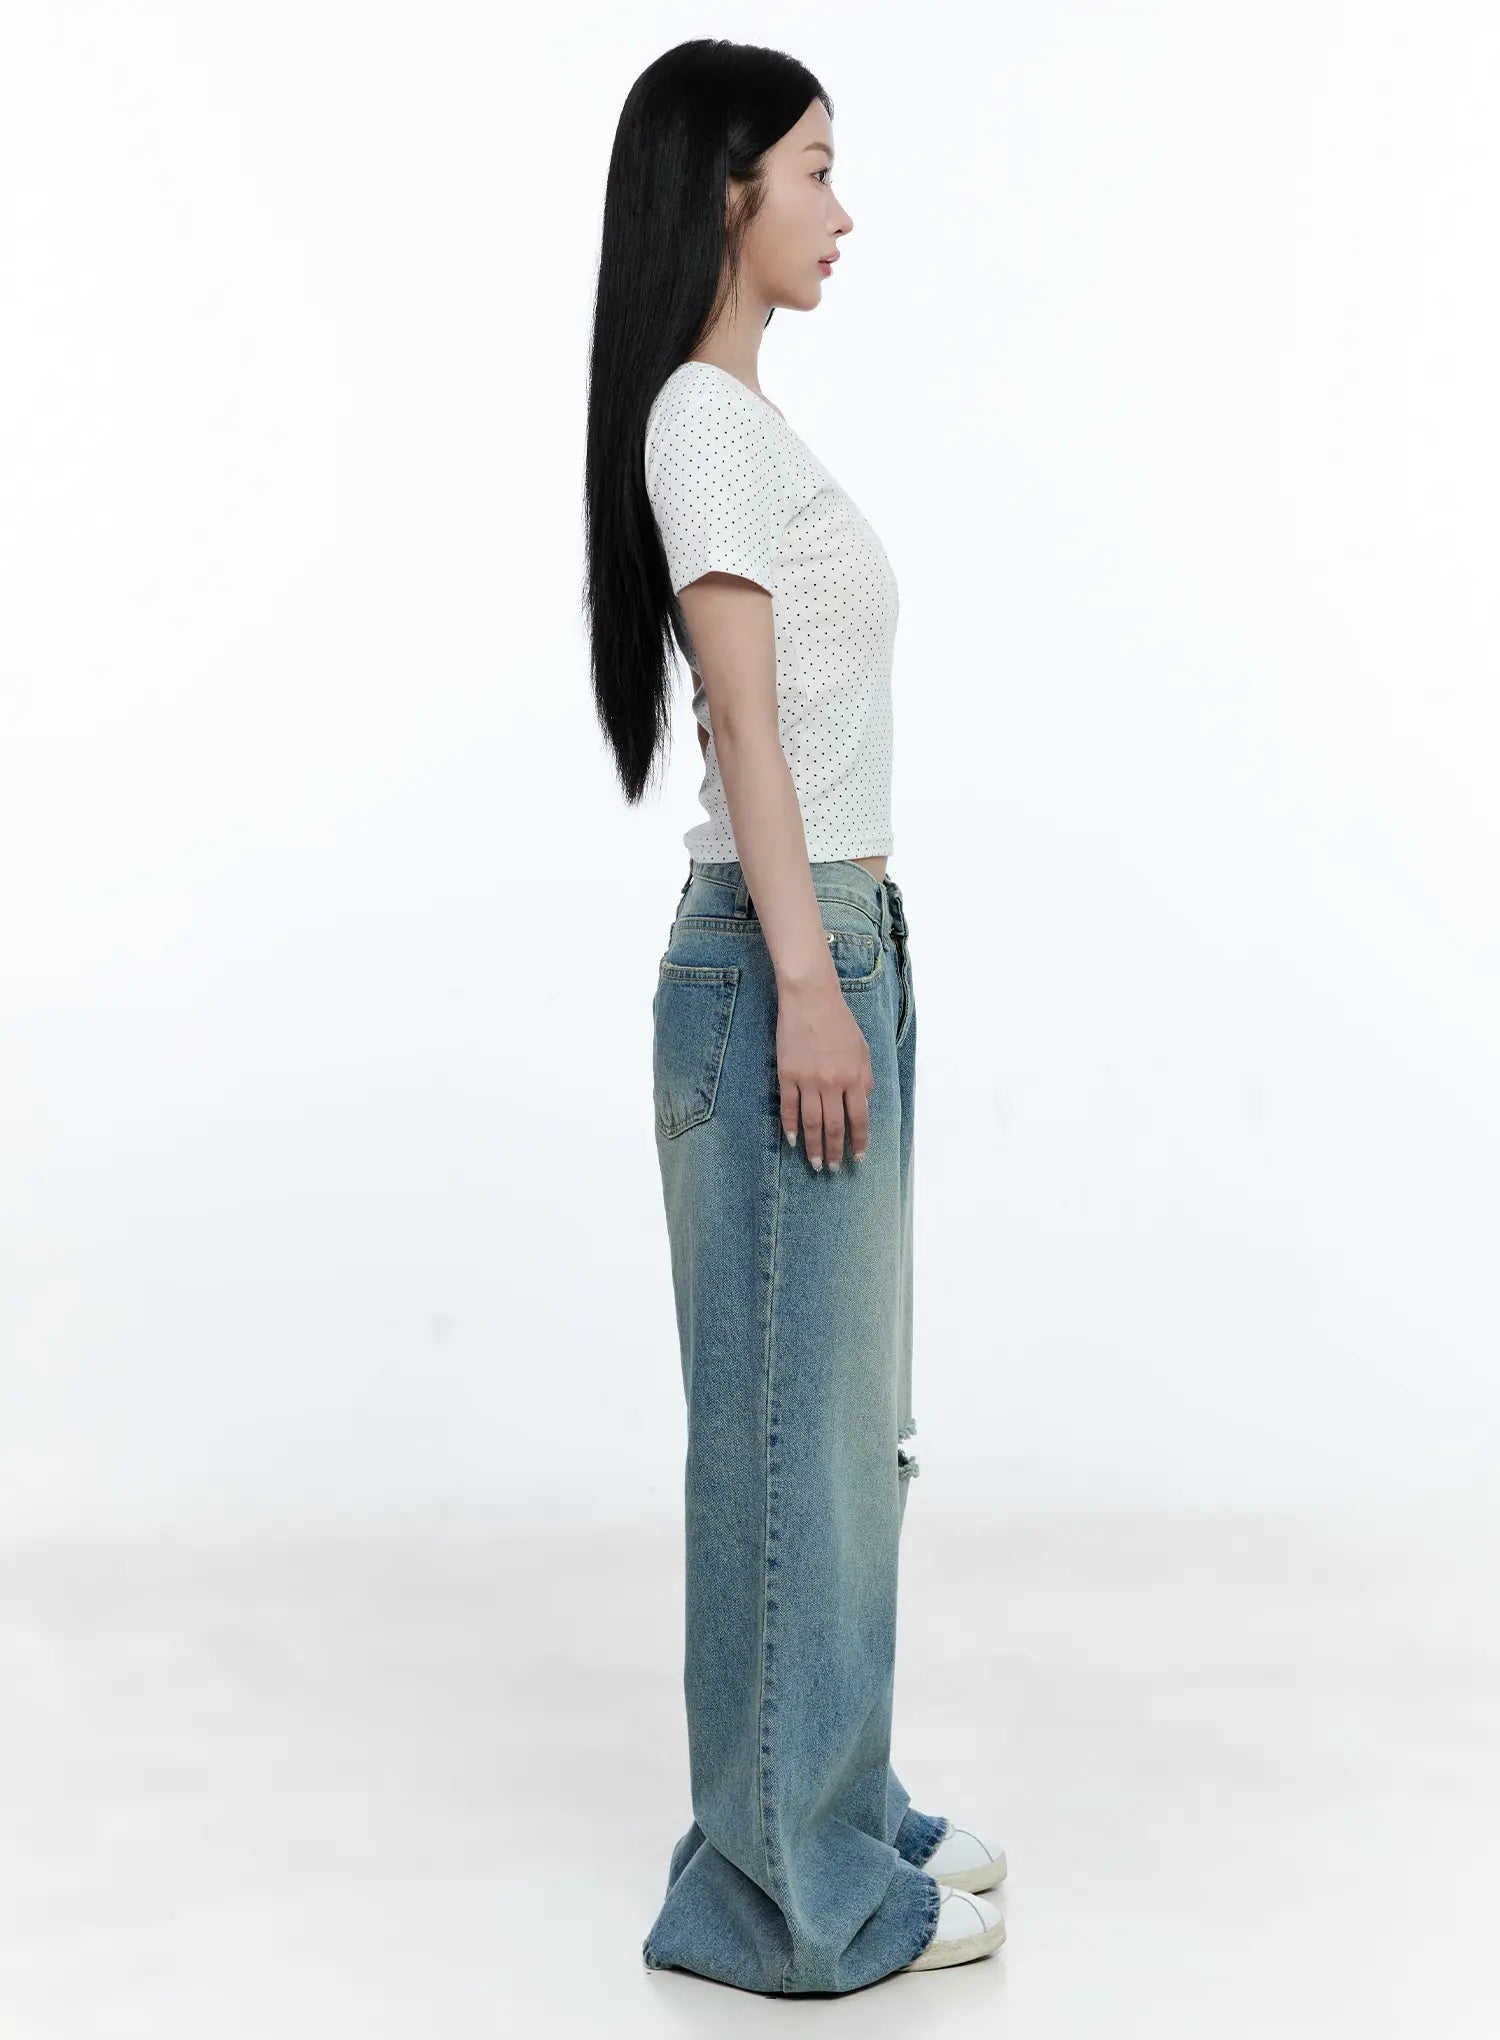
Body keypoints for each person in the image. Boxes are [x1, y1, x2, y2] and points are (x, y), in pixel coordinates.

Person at [582, 38, 1008, 1995]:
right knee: (784, 1439)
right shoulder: (700, 418)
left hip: (835, 939)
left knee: (844, 1434)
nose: (844, 211)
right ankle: (779, 1900)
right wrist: (812, 987)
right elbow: (748, 729)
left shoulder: (743, 419)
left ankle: (825, 1806)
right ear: (726, 187)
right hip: (783, 955)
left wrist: (847, 964)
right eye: (817, 169)